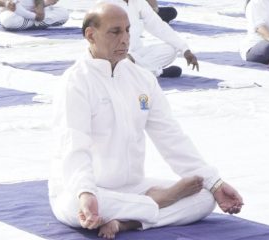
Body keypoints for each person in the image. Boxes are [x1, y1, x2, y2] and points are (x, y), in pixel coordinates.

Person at [48, 3, 243, 239]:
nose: (125, 39)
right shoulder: (76, 82)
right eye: (115, 31)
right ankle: (156, 204)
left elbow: (171, 136)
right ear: (91, 35)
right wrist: (85, 192)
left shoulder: (142, 78)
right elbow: (74, 145)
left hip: (132, 188)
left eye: (128, 30)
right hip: (86, 189)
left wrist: (215, 183)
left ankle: (127, 222)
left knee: (204, 197)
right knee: (71, 207)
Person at [97, 0, 199, 78]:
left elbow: (158, 26)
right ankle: (155, 72)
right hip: (112, 54)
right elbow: (101, 37)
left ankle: (134, 72)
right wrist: (120, 54)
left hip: (135, 54)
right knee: (124, 62)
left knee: (171, 50)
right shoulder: (106, 4)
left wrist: (185, 49)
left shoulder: (138, 2)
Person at [0, 0, 69, 31]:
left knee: (64, 14)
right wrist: (7, 3)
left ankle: (32, 22)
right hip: (14, 12)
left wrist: (41, 5)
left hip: (39, 10)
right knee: (9, 21)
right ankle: (36, 22)